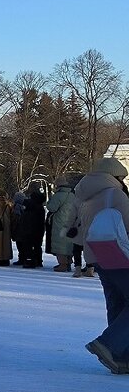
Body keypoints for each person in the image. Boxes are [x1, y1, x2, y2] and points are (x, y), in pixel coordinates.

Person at [74, 157, 129, 374]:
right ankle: (109, 344)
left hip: (98, 255)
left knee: (116, 302)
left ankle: (119, 357)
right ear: (115, 175)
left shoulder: (87, 195)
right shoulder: (115, 194)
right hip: (120, 254)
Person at [47, 180, 78, 272]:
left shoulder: (58, 196)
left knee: (59, 243)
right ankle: (68, 262)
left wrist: (48, 203)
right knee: (69, 243)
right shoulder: (73, 195)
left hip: (59, 222)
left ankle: (62, 264)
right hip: (71, 222)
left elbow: (52, 208)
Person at [21, 189, 47, 269]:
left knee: (28, 245)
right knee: (37, 245)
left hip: (29, 228)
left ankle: (30, 260)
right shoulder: (41, 207)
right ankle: (38, 260)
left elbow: (26, 218)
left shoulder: (30, 206)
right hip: (39, 228)